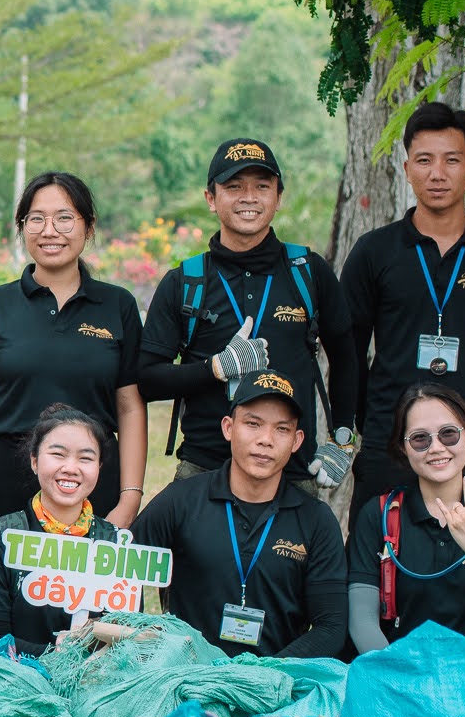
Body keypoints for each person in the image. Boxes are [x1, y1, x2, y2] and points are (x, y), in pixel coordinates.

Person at [341, 102, 465, 516]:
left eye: (452, 160)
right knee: (376, 562)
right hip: (388, 445)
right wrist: (375, 423)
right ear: (407, 166)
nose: (437, 173)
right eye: (425, 160)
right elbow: (348, 353)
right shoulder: (374, 251)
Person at [139, 138, 359, 492]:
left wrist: (343, 437)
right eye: (234, 187)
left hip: (293, 474)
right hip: (204, 473)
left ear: (278, 197)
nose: (249, 197)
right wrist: (215, 368)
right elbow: (147, 379)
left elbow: (347, 359)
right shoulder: (185, 281)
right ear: (211, 198)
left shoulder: (309, 273)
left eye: (262, 186)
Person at [0, 172, 145, 550]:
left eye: (65, 217)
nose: (49, 230)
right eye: (36, 219)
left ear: (88, 227)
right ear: (23, 228)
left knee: (90, 609)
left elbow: (130, 408)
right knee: (5, 604)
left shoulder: (118, 306)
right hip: (4, 486)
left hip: (89, 483)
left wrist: (129, 498)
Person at [131, 371, 345, 658]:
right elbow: (122, 574)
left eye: (281, 429)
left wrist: (262, 675)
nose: (266, 440)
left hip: (274, 688)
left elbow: (331, 627)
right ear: (228, 427)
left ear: (297, 441)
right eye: (253, 424)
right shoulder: (181, 500)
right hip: (187, 679)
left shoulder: (316, 521)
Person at [346, 383, 465, 653]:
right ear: (403, 447)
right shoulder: (379, 514)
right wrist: (399, 676)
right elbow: (362, 621)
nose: (436, 448)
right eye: (420, 439)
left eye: (448, 434)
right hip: (399, 663)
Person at [0, 405, 123, 654]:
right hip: (17, 683)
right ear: (34, 461)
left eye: (86, 458)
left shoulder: (115, 542)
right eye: (58, 454)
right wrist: (53, 652)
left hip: (96, 684)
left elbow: (130, 633)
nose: (71, 467)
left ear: (99, 467)